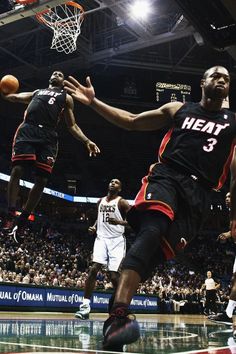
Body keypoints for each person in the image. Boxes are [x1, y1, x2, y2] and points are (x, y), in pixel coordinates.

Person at [64, 66, 236, 349]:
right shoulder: (179, 109)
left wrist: (233, 218)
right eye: (215, 75)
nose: (221, 80)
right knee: (152, 230)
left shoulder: (233, 122)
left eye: (226, 78)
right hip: (168, 176)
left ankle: (113, 313)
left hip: (201, 196)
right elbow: (131, 121)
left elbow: (235, 175)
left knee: (155, 256)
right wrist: (93, 102)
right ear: (202, 82)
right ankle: (119, 314)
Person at [1, 71, 100, 243]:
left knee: (42, 180)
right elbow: (16, 97)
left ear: (62, 82)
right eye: (54, 73)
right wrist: (6, 93)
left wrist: (86, 141)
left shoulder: (66, 98)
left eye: (60, 74)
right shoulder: (37, 92)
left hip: (48, 136)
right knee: (17, 169)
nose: (56, 74)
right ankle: (10, 212)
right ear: (49, 79)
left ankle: (23, 218)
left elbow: (72, 125)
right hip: (28, 130)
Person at [75, 178, 130, 319]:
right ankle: (85, 307)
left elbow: (133, 223)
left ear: (120, 189)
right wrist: (94, 226)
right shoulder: (100, 201)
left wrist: (118, 222)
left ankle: (120, 305)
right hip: (101, 239)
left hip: (117, 241)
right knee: (93, 269)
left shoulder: (122, 203)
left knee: (113, 276)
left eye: (117, 182)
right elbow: (99, 217)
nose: (113, 183)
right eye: (111, 181)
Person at [208, 191, 236, 325]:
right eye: (225, 197)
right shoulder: (231, 213)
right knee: (234, 280)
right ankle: (228, 313)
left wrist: (230, 234)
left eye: (229, 196)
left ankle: (228, 314)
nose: (226, 199)